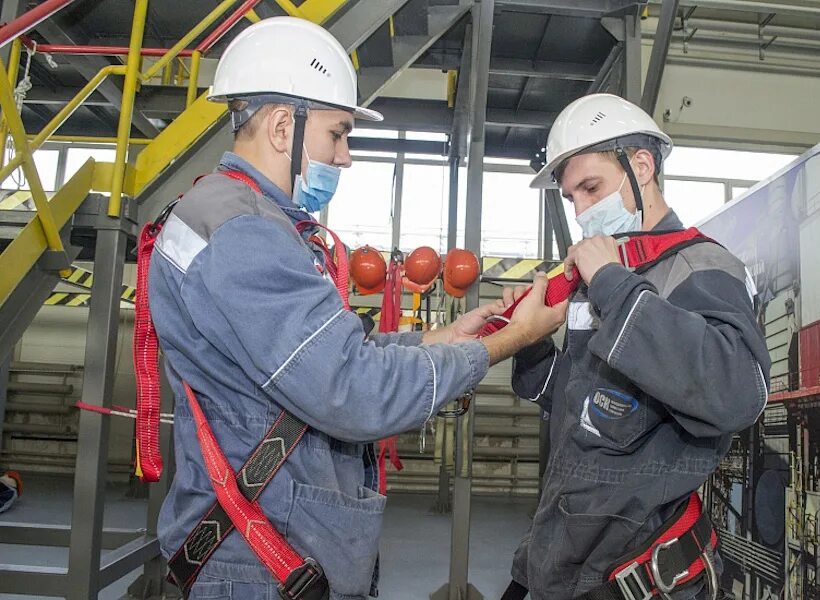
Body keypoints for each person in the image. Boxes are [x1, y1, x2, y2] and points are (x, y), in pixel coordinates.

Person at [148, 16, 567, 600]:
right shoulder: (244, 233)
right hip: (259, 558)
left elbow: (330, 355)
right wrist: (507, 341)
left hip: (264, 544)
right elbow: (354, 391)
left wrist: (445, 337)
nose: (344, 157)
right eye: (336, 134)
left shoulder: (234, 217)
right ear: (279, 126)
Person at [501, 94, 771, 600]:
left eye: (591, 188)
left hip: (637, 579)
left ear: (640, 166)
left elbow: (738, 394)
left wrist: (612, 283)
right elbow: (578, 409)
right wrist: (530, 341)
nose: (581, 212)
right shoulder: (606, 276)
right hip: (559, 561)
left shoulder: (700, 268)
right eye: (571, 198)